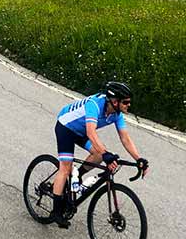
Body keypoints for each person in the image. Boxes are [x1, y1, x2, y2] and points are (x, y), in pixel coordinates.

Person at [51, 81, 149, 228]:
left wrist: (138, 159)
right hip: (66, 127)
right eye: (126, 102)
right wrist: (105, 154)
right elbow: (91, 132)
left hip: (81, 131)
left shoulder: (117, 114)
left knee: (98, 154)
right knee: (65, 168)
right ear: (114, 101)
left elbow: (125, 138)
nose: (129, 105)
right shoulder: (94, 105)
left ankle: (77, 175)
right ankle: (56, 212)